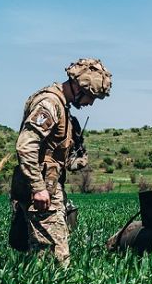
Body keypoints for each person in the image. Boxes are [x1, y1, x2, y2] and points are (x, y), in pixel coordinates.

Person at [9, 58, 112, 266]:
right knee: (56, 259)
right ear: (78, 87)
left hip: (48, 190)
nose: (90, 103)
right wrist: (38, 188)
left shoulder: (62, 107)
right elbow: (26, 145)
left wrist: (75, 161)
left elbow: (50, 156)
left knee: (43, 254)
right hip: (40, 193)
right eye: (90, 97)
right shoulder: (50, 103)